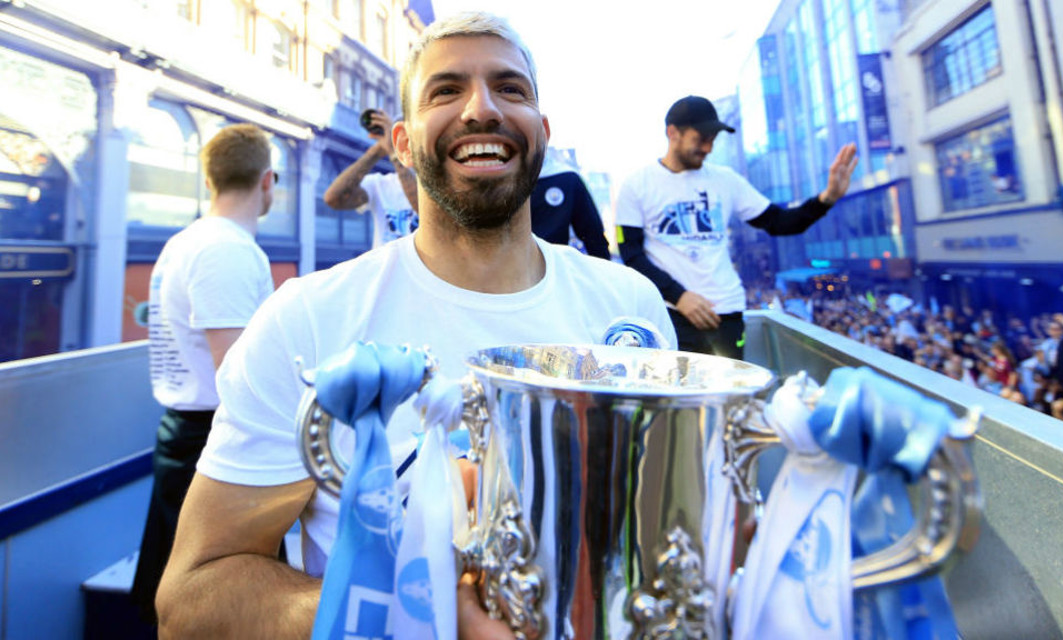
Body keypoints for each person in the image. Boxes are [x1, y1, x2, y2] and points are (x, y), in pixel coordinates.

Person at [155, 12, 675, 639]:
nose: (482, 109)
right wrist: (411, 611)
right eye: (446, 90)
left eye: (511, 89)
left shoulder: (630, 309)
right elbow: (191, 600)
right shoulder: (307, 322)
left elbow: (654, 536)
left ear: (542, 131)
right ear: (401, 142)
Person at [130, 124, 277, 624]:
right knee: (211, 605)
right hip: (210, 442)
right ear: (267, 181)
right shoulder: (226, 251)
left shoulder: (187, 242)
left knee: (176, 592)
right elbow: (234, 371)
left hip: (188, 435)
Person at [615, 94, 859, 359]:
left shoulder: (726, 181)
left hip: (727, 314)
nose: (708, 148)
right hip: (671, 314)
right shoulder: (636, 185)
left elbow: (781, 223)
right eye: (701, 139)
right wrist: (680, 296)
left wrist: (827, 199)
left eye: (712, 140)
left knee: (726, 397)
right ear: (672, 133)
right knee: (680, 397)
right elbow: (632, 256)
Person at [323, 108, 420, 249]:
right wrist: (377, 151)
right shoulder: (380, 183)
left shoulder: (437, 182)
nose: (400, 142)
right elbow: (333, 198)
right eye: (396, 135)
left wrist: (394, 152)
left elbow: (421, 208)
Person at [530, 155, 611, 258]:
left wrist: (604, 268)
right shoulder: (507, 178)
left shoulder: (566, 178)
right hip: (510, 267)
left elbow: (593, 234)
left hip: (555, 265)